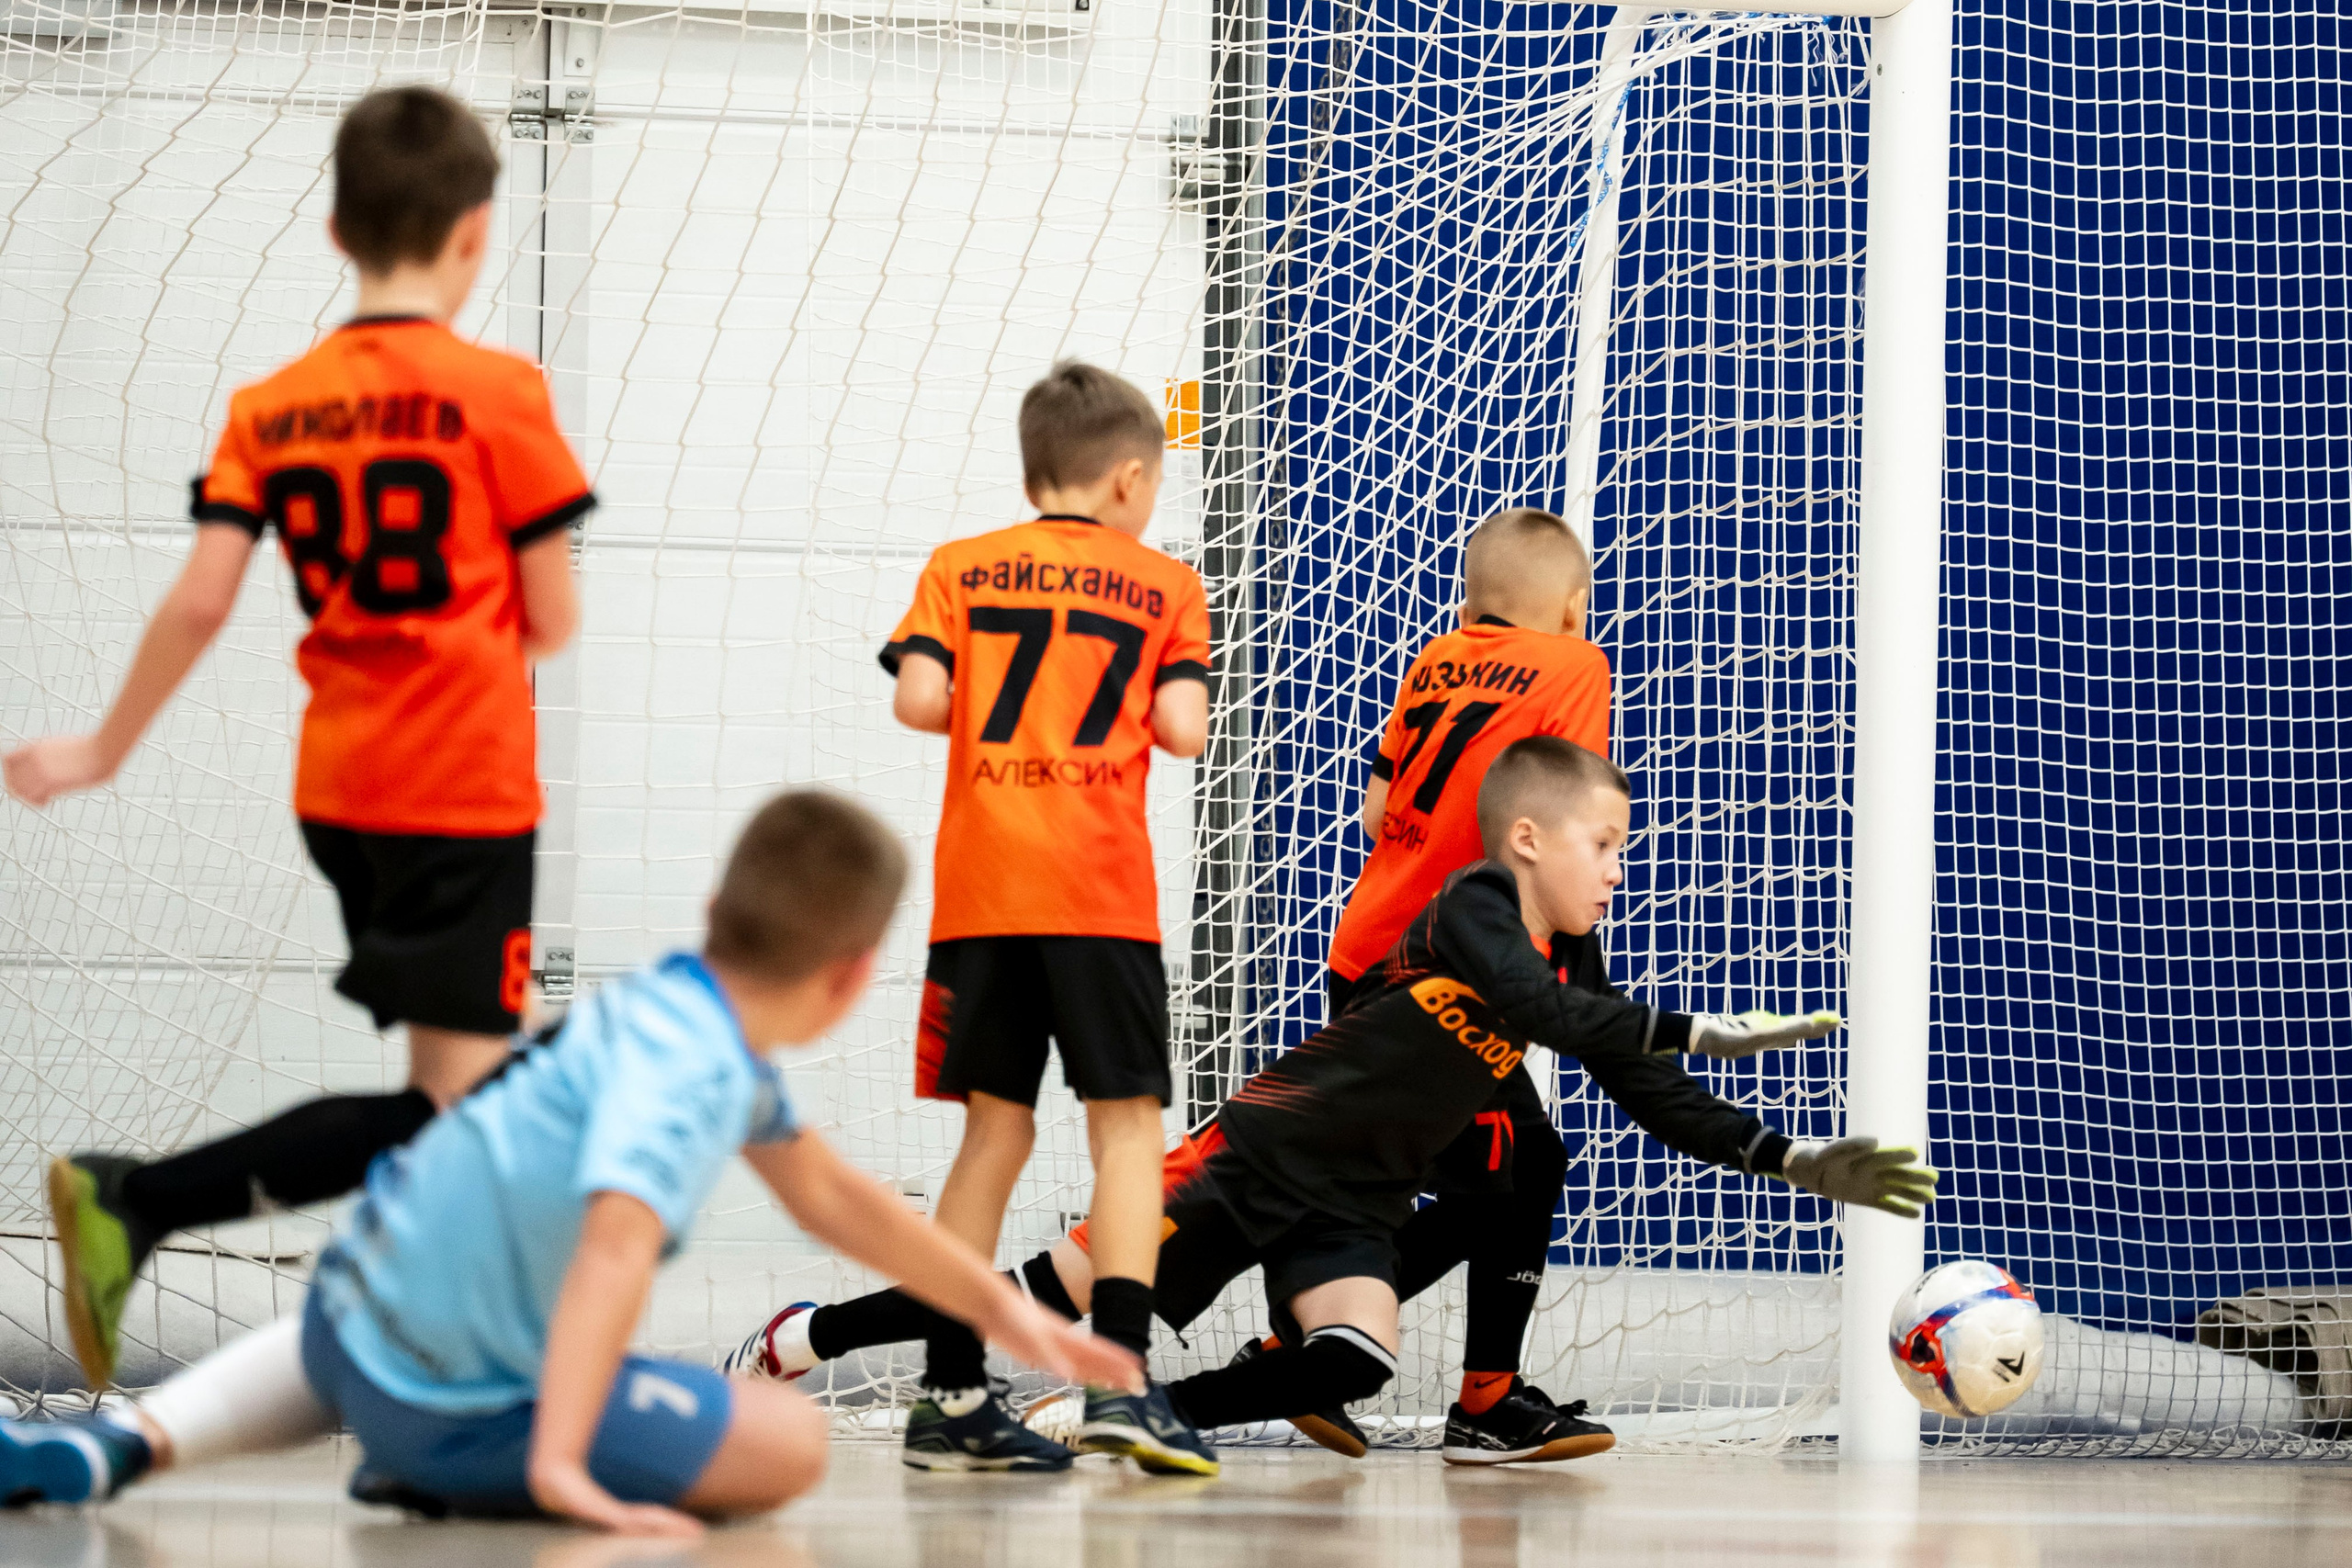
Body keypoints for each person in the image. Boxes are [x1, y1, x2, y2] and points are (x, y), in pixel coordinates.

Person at [733, 510, 1830, 1464]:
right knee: (1494, 1166)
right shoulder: (1575, 671)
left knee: (1502, 1168)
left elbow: (1374, 808)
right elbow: (1551, 820)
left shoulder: (1431, 664)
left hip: (1374, 953)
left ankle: (1324, 1352)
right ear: (1576, 605)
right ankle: (1453, 1395)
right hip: (1441, 976)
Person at [0, 792, 1142, 1533]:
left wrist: (1008, 1314)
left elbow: (831, 1195)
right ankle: (464, 1467)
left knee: (401, 1300)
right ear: (852, 978)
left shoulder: (666, 1006)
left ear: (713, 911)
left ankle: (116, 1446)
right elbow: (614, 1247)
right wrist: (561, 1473)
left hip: (337, 1326)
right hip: (434, 1404)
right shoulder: (696, 1076)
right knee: (789, 1444)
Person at [4, 86, 590, 1392]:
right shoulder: (503, 392)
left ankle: (434, 1344)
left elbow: (204, 595)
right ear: (479, 235)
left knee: (459, 1099)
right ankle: (141, 1196)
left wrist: (98, 747)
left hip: (342, 788)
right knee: (462, 1105)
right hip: (461, 790)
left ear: (335, 230)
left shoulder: (274, 404)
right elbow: (552, 618)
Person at [874, 361, 1213, 1473]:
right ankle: (1117, 1383)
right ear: (1128, 479)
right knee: (1123, 1131)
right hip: (1097, 894)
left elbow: (918, 699)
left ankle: (949, 1394)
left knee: (994, 1133)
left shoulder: (958, 569)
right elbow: (1184, 733)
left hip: (982, 894)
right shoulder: (1165, 584)